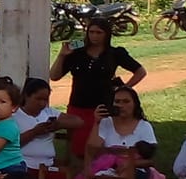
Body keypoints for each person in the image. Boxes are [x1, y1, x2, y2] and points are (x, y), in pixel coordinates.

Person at [50, 17, 145, 153]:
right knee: (78, 146)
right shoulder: (77, 51)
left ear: (106, 34)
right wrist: (62, 55)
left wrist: (124, 89)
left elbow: (140, 71)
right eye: (91, 32)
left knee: (102, 146)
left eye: (99, 33)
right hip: (79, 105)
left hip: (104, 106)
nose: (94, 36)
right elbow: (54, 76)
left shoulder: (114, 53)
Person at [11, 78, 77, 179]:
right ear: (27, 96)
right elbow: (11, 144)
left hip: (49, 166)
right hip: (25, 165)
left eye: (45, 100)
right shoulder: (14, 117)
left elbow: (78, 122)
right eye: (38, 99)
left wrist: (56, 125)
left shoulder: (48, 112)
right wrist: (34, 132)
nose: (42, 104)